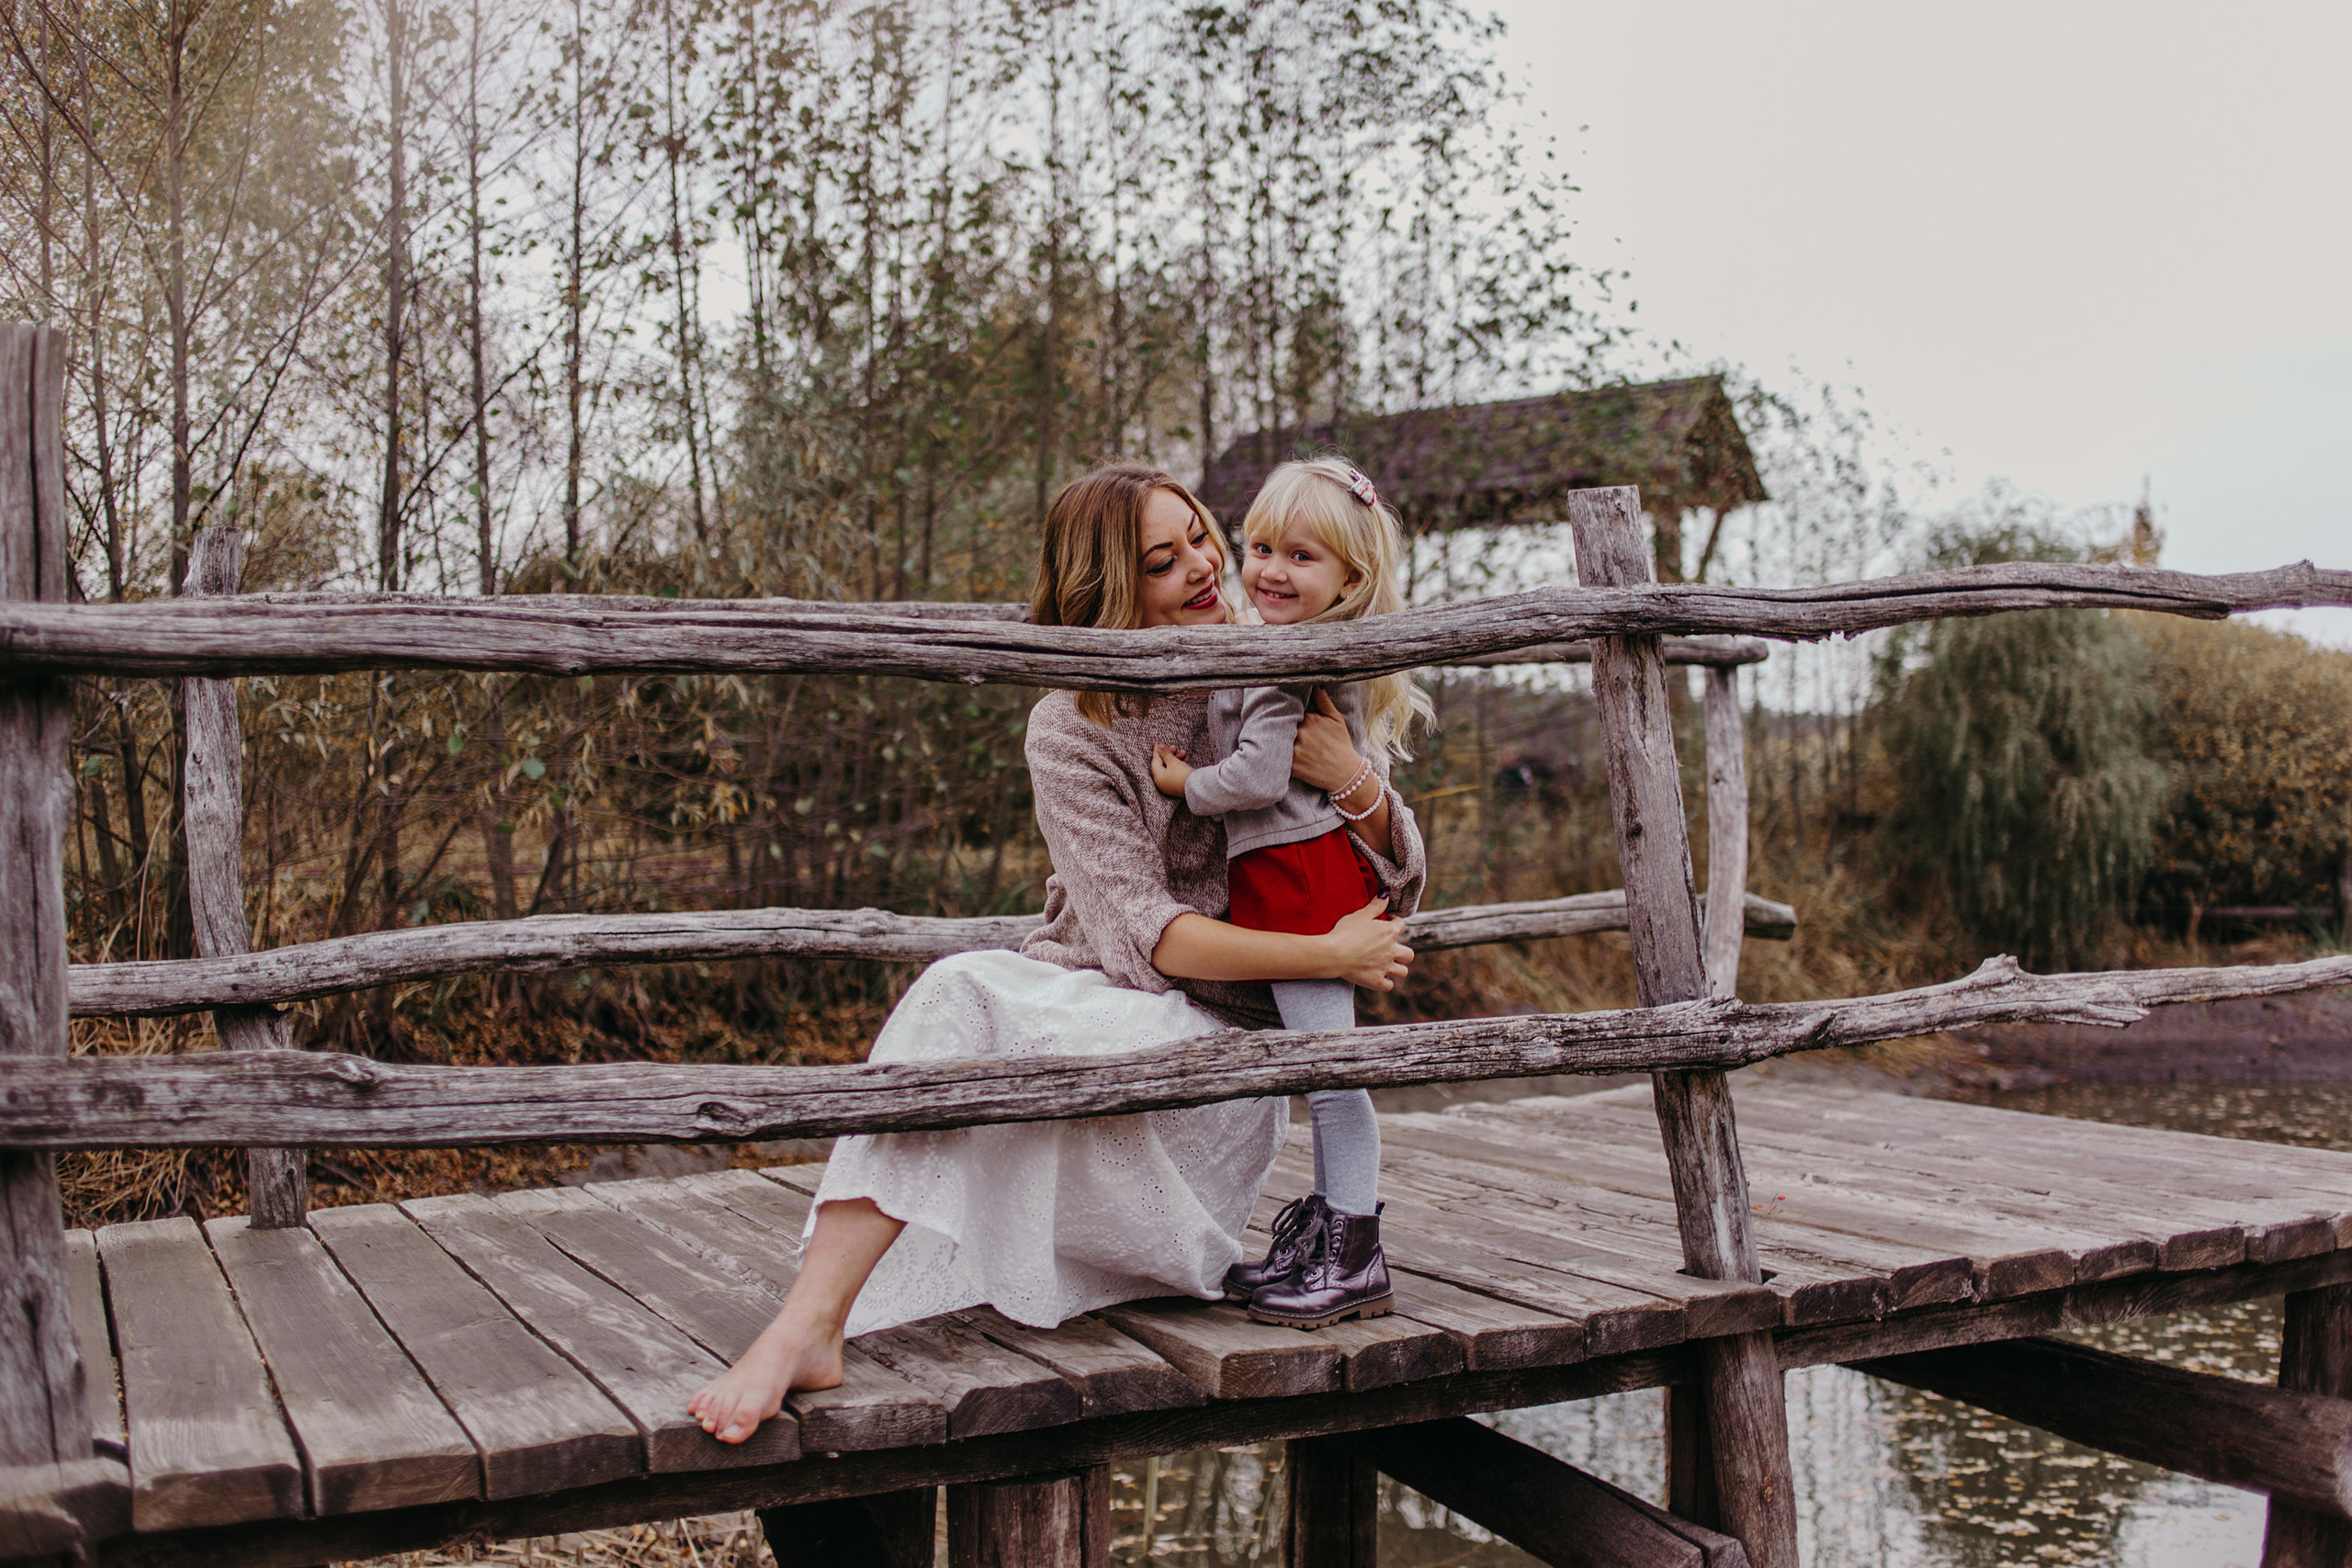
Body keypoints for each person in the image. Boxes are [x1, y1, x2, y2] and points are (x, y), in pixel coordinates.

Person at [686, 461, 1425, 1444]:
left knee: (964, 992)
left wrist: (1355, 780)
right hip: (1123, 1005)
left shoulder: (1266, 659)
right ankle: (807, 1325)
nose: (1205, 567)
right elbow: (1149, 939)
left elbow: (1394, 883)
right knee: (959, 993)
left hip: (1214, 1068)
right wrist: (1324, 956)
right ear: (1108, 590)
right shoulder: (1072, 729)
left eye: (1201, 536)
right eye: (1163, 562)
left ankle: (816, 1321)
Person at [1148, 456, 1431, 1329]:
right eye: (1262, 547)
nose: (1270, 570)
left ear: (1350, 581)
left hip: (1301, 880)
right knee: (1321, 1069)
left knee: (1331, 1075)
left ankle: (1354, 1254)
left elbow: (1259, 776)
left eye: (1301, 557)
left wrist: (1186, 784)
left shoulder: (1284, 662)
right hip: (1292, 874)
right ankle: (1328, 1235)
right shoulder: (1290, 643)